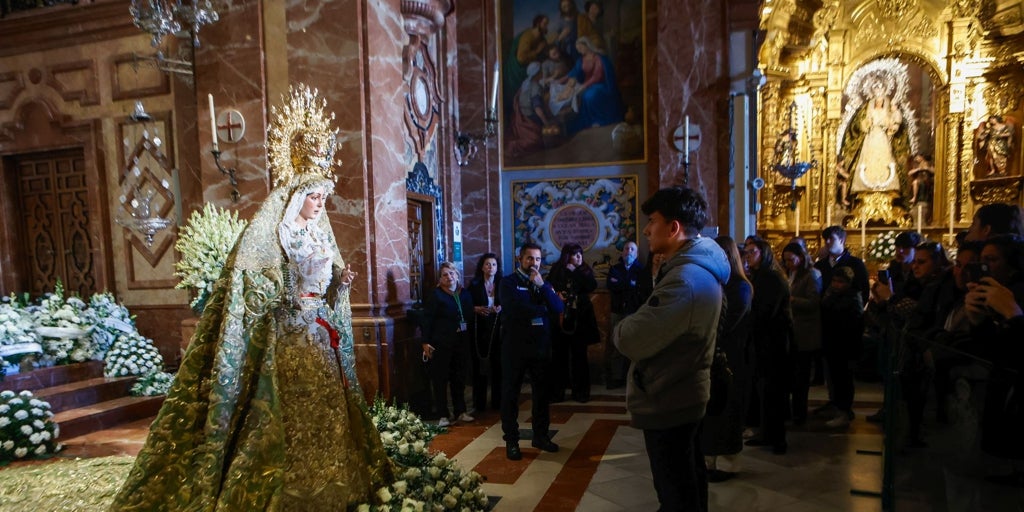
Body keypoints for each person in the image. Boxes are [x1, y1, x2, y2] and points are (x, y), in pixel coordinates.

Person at [110, 85, 394, 510]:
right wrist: (287, 288)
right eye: (313, 196)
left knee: (327, 410)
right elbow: (256, 283)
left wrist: (341, 282)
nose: (320, 203)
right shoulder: (272, 233)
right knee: (290, 412)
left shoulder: (321, 234)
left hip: (320, 337)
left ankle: (337, 479)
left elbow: (330, 288)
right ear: (297, 196)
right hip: (290, 338)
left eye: (323, 196)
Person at [614, 187, 730, 512]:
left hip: (670, 395)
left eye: (652, 221)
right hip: (681, 390)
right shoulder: (694, 269)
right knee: (688, 480)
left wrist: (622, 327)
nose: (647, 230)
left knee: (675, 491)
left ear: (673, 227)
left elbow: (630, 337)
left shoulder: (685, 280)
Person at [499, 243, 564, 461]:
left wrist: (543, 287)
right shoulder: (508, 283)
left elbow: (558, 308)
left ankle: (541, 436)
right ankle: (512, 440)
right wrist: (542, 309)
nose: (534, 263)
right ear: (520, 259)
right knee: (511, 394)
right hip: (515, 347)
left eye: (537, 259)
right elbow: (514, 310)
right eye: (529, 259)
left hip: (540, 347)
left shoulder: (544, 283)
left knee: (542, 394)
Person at [701, 236, 753, 483]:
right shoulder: (715, 282)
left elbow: (727, 323)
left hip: (731, 357)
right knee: (711, 413)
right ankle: (709, 460)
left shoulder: (740, 287)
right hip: (713, 356)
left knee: (727, 412)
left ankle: (728, 464)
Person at [742, 238, 792, 453]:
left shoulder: (771, 278)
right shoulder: (759, 276)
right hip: (762, 341)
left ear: (764, 254)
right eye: (746, 252)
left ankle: (778, 439)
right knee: (763, 391)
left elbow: (765, 311)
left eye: (752, 251)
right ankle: (766, 433)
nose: (748, 256)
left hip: (773, 342)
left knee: (773, 392)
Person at [422, 262, 476, 427]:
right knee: (440, 379)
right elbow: (427, 320)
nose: (449, 277)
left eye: (452, 273)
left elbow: (469, 315)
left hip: (461, 342)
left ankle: (460, 411)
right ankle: (443, 414)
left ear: (457, 276)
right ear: (440, 279)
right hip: (441, 343)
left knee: (459, 378)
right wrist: (425, 342)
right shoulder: (436, 295)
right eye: (445, 275)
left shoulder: (464, 294)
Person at [547, 243, 600, 403]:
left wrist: (575, 272)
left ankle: (581, 392)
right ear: (567, 256)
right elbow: (549, 286)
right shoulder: (557, 269)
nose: (579, 257)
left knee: (579, 357)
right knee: (559, 357)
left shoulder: (584, 270)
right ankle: (557, 392)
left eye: (580, 254)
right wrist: (557, 294)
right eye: (575, 254)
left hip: (580, 319)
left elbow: (591, 286)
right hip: (561, 317)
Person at [781, 242, 822, 426]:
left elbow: (814, 302)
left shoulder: (811, 275)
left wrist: (792, 300)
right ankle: (791, 411)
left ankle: (800, 413)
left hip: (805, 332)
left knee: (801, 377)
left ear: (801, 257)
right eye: (785, 260)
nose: (788, 263)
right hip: (793, 329)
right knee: (792, 375)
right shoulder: (791, 273)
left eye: (791, 259)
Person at [819, 266, 865, 428]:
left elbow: (853, 324)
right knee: (835, 379)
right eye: (834, 281)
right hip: (832, 344)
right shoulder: (833, 295)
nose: (836, 285)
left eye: (840, 282)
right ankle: (837, 407)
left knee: (843, 380)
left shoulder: (852, 298)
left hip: (844, 346)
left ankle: (844, 411)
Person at [847, 78, 905, 197]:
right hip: (872, 135)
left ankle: (887, 187)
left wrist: (890, 125)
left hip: (882, 136)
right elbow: (865, 120)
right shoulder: (869, 106)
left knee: (885, 157)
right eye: (876, 91)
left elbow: (893, 121)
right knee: (869, 157)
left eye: (880, 90)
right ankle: (866, 187)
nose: (878, 94)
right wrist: (867, 124)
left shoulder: (889, 107)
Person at [564, 36, 624, 135]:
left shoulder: (598, 58)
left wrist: (584, 86)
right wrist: (560, 80)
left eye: (581, 48)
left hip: (601, 84)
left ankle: (599, 119)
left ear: (587, 46)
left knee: (590, 96)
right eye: (578, 49)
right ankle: (592, 119)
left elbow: (597, 76)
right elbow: (574, 72)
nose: (579, 51)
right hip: (589, 85)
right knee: (584, 95)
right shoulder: (581, 60)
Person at [605, 241, 644, 389]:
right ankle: (617, 377)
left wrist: (622, 283)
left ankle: (632, 376)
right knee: (616, 344)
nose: (629, 251)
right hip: (617, 311)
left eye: (632, 249)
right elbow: (611, 285)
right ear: (622, 252)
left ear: (637, 253)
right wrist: (629, 284)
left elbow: (639, 290)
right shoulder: (615, 269)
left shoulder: (641, 270)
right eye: (626, 248)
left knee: (634, 344)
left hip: (634, 312)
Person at [468, 253, 503, 412]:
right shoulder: (475, 284)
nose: (491, 267)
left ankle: (497, 402)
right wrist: (476, 309)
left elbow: (509, 302)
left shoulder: (502, 283)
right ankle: (479, 403)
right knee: (480, 367)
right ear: (482, 267)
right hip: (480, 329)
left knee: (498, 366)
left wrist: (501, 308)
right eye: (488, 264)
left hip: (498, 329)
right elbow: (467, 304)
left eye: (494, 264)